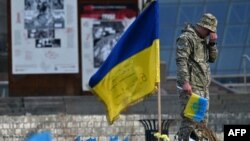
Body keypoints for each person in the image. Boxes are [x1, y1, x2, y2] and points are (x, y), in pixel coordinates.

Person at [175, 13, 218, 141]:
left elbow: (213, 58)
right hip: (192, 88)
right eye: (210, 31)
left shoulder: (204, 41)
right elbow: (181, 61)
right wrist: (185, 82)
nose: (211, 34)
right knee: (190, 123)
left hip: (203, 88)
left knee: (201, 125)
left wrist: (212, 44)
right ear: (205, 27)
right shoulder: (187, 38)